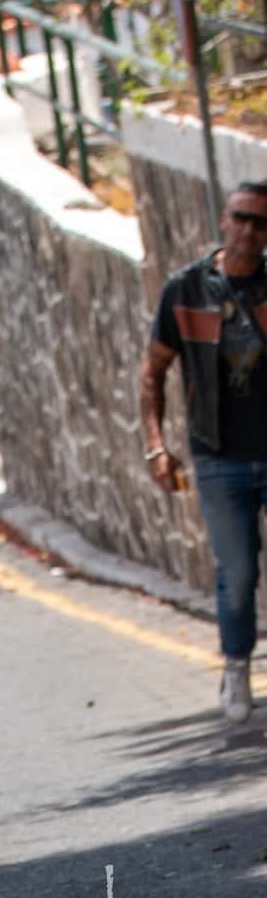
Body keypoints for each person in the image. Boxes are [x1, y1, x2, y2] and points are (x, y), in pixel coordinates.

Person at [141, 179, 267, 722]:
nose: (248, 231)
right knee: (237, 573)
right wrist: (156, 446)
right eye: (241, 217)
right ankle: (236, 667)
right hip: (219, 458)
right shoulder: (186, 290)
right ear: (223, 219)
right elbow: (152, 374)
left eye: (261, 223)